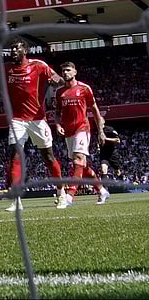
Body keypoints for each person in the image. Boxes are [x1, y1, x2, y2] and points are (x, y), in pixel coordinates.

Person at [0, 30, 64, 211]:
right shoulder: (6, 68)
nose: (13, 52)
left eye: (16, 48)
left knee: (48, 157)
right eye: (11, 49)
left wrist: (57, 81)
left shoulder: (38, 65)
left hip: (37, 119)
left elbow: (55, 77)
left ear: (25, 50)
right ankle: (17, 199)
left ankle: (61, 192)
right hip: (17, 120)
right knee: (15, 156)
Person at [53, 62, 107, 208]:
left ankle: (69, 196)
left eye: (68, 70)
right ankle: (101, 190)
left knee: (78, 159)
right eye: (63, 71)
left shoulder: (84, 89)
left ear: (75, 72)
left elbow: (95, 110)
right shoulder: (59, 92)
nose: (65, 73)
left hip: (82, 128)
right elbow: (57, 113)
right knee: (81, 165)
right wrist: (57, 125)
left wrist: (100, 131)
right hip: (68, 131)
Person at [97, 124, 120, 202]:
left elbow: (118, 140)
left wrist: (106, 139)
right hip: (104, 154)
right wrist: (98, 146)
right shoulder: (98, 131)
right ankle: (105, 191)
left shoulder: (109, 129)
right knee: (103, 170)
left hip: (112, 154)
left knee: (118, 172)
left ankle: (123, 186)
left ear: (102, 121)